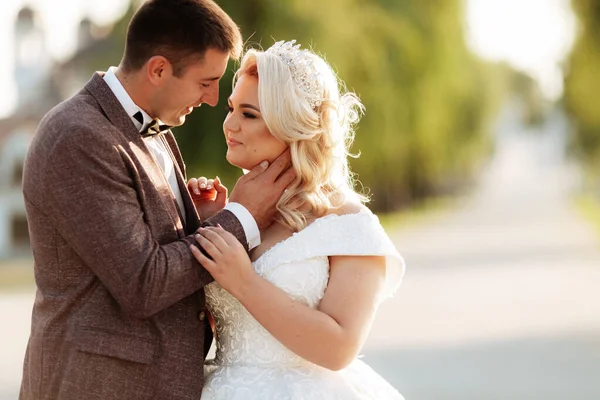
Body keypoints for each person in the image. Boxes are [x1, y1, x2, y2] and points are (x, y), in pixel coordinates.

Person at [19, 1, 294, 399]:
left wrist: (194, 220)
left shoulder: (158, 129)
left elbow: (140, 247)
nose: (214, 98)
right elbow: (144, 282)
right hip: (95, 386)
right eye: (206, 81)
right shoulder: (77, 136)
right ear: (159, 69)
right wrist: (241, 216)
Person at [190, 40, 406, 399]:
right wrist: (209, 224)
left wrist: (244, 281)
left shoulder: (349, 224)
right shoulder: (236, 214)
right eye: (232, 109)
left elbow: (339, 349)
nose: (229, 124)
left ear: (290, 124)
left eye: (249, 114)